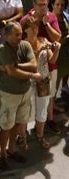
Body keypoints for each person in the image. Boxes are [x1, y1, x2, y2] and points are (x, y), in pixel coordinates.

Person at [0, 22, 42, 169]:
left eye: (21, 33)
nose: (20, 36)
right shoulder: (2, 49)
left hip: (24, 92)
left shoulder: (25, 45)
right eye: (17, 34)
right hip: (8, 93)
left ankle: (12, 149)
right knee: (6, 125)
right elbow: (12, 72)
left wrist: (15, 65)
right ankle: (3, 154)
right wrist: (31, 75)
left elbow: (34, 64)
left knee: (17, 123)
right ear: (7, 35)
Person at [21, 0, 61, 133]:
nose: (44, 7)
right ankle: (23, 133)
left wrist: (46, 24)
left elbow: (57, 38)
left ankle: (48, 121)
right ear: (34, 4)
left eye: (45, 4)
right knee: (28, 103)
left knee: (48, 97)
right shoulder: (26, 20)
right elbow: (20, 42)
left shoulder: (51, 17)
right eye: (40, 4)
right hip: (30, 70)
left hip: (48, 66)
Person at [22, 17, 60, 149]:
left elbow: (52, 60)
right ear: (25, 30)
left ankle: (40, 135)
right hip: (28, 81)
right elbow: (31, 65)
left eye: (36, 27)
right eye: (31, 28)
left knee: (42, 109)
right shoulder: (23, 45)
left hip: (43, 80)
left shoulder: (43, 40)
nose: (35, 30)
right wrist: (38, 52)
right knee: (26, 110)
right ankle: (22, 137)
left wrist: (57, 49)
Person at [49, 0, 69, 96]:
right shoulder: (49, 19)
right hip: (55, 55)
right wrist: (66, 38)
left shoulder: (65, 17)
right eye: (57, 4)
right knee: (54, 83)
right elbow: (51, 41)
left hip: (66, 54)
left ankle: (61, 95)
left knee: (64, 76)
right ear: (52, 5)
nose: (60, 7)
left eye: (62, 5)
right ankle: (53, 103)